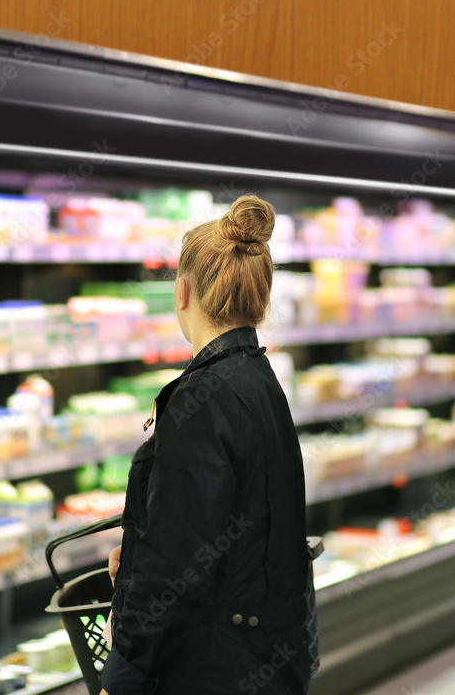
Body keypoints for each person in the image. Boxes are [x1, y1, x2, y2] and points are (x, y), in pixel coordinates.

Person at [99, 195, 318, 695]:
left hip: (211, 666)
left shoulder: (201, 395)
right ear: (258, 300)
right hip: (265, 651)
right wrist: (136, 547)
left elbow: (176, 560)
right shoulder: (259, 379)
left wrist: (125, 675)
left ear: (182, 292)